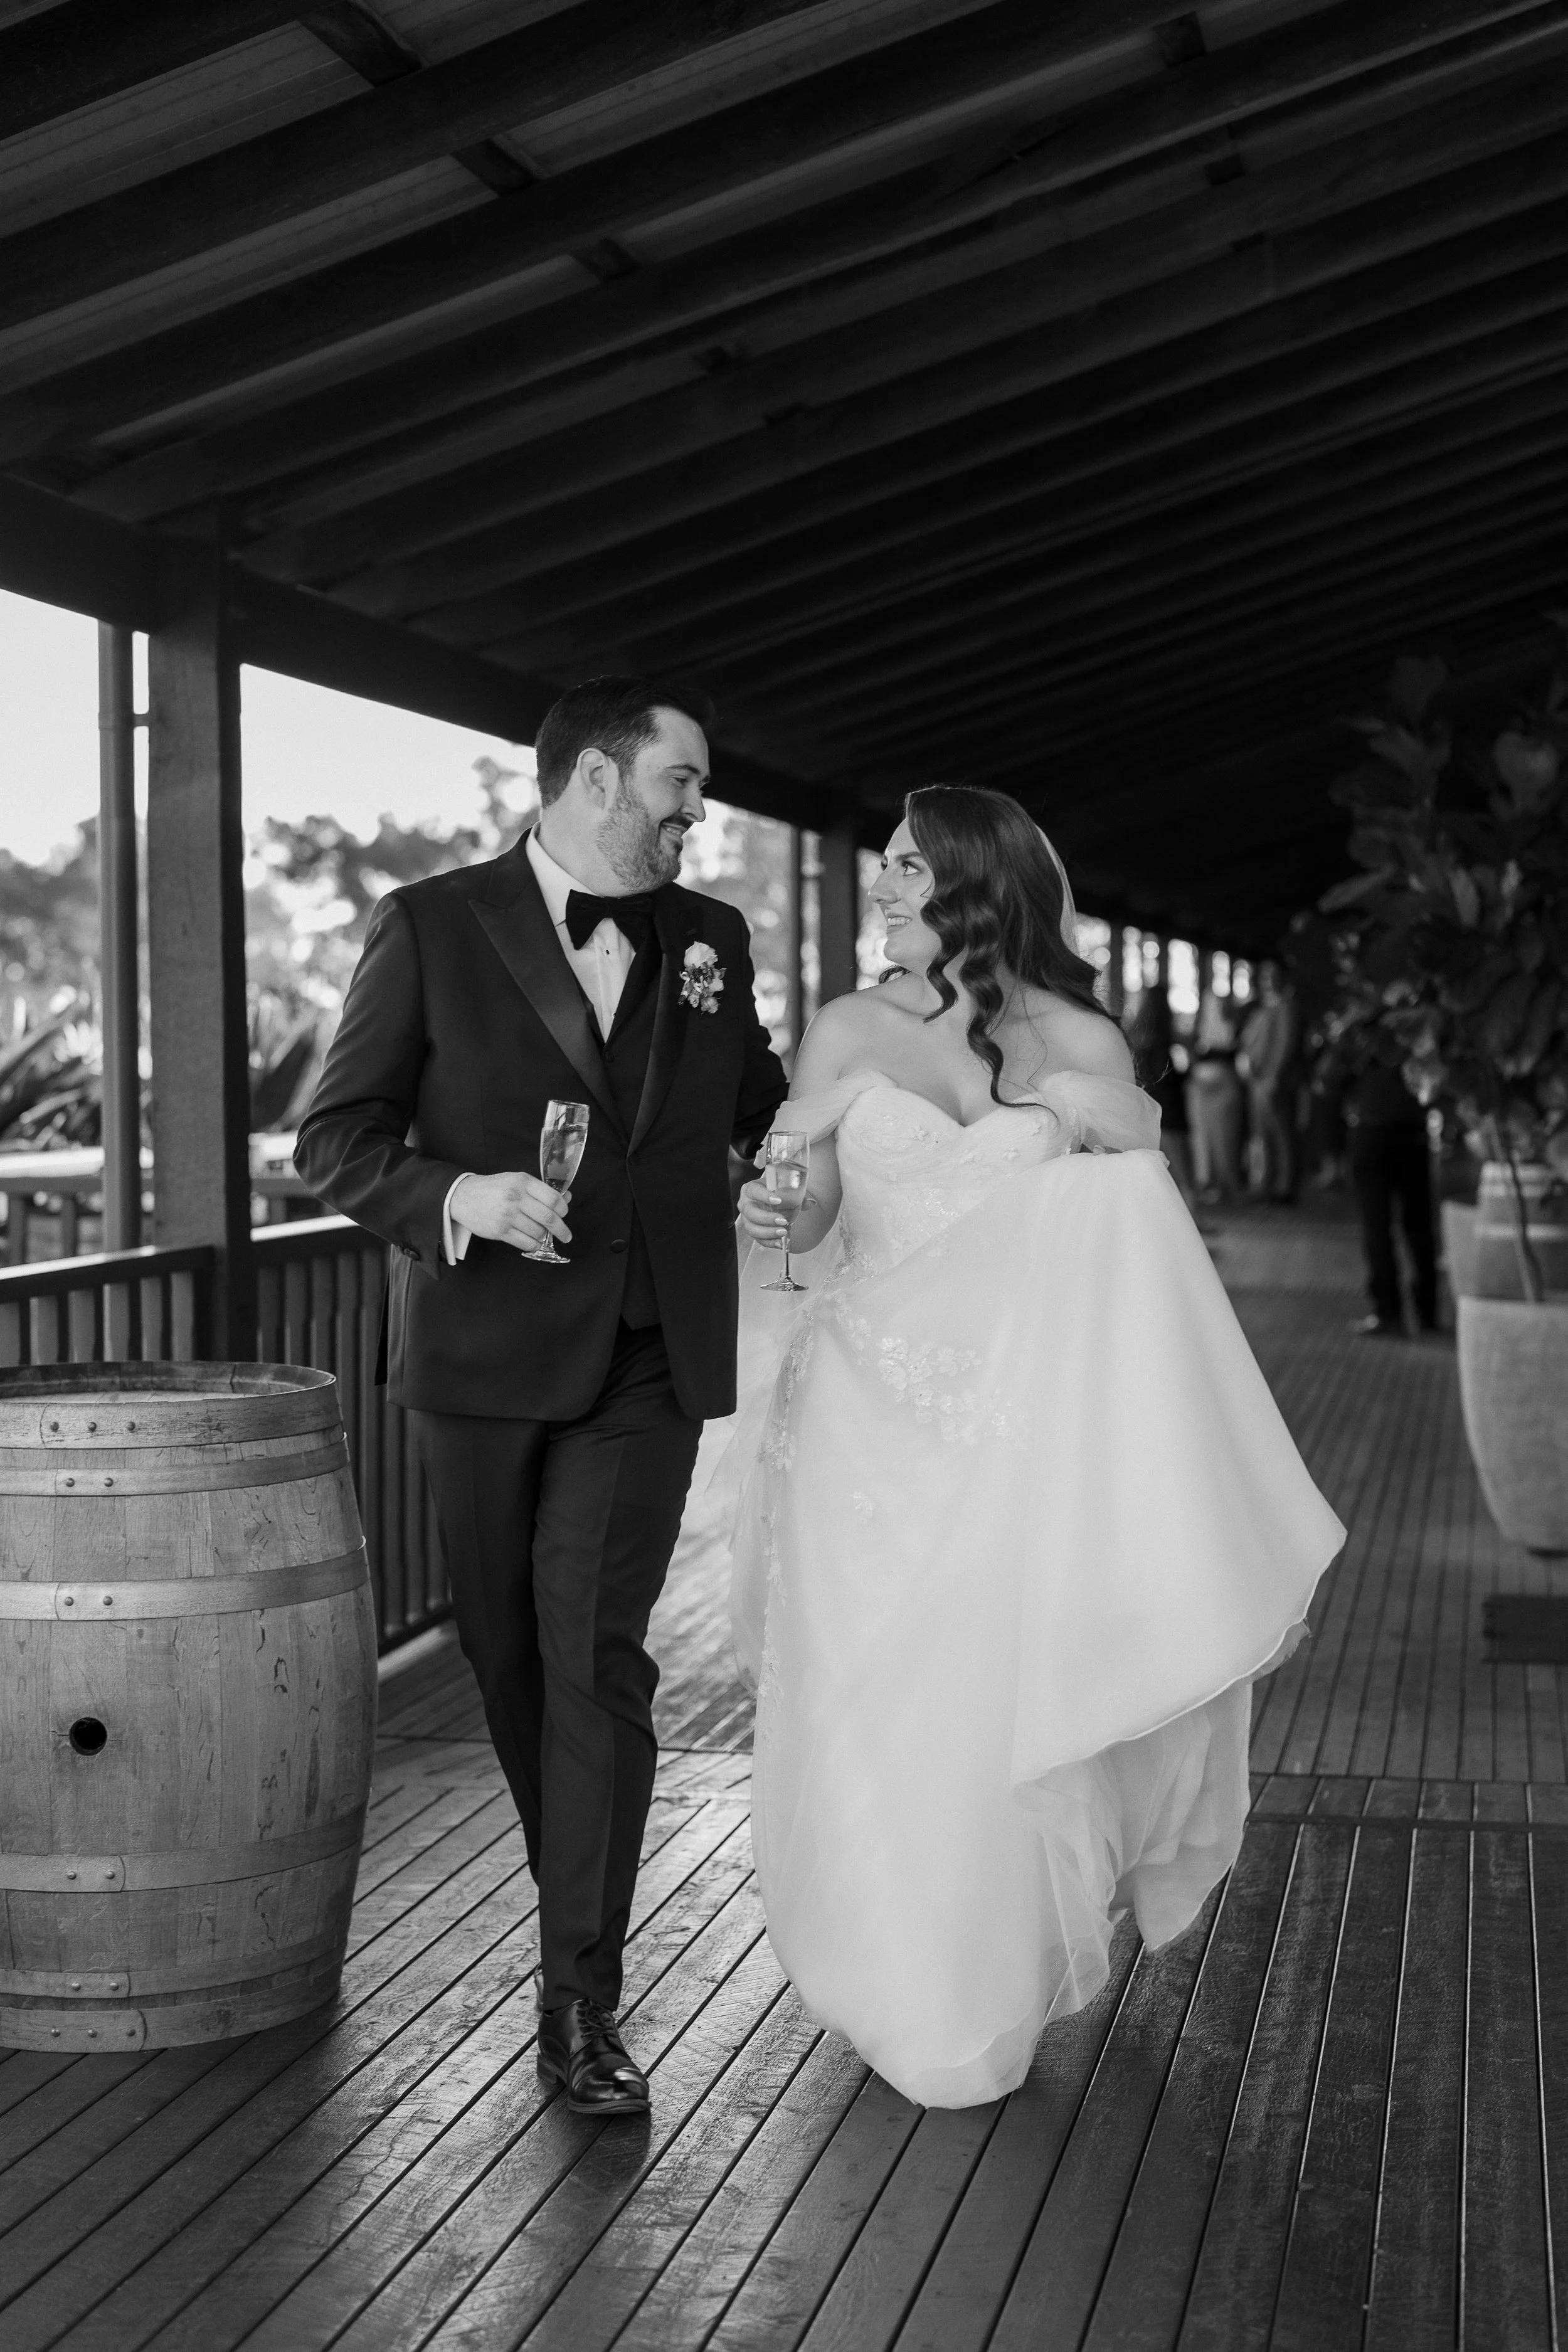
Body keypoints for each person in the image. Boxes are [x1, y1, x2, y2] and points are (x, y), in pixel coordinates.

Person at [724, 787, 1343, 2109]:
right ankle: (885, 1958)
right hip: (856, 1421)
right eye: (880, 868)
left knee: (985, 1692)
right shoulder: (841, 1030)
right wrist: (780, 1195)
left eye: (901, 870)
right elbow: (817, 1213)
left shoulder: (1078, 1043)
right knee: (865, 1692)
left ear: (969, 886)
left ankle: (972, 1979)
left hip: (1008, 1425)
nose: (879, 890)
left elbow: (1128, 1255)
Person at [295, 677, 788, 2117]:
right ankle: (576, 1865)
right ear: (591, 781)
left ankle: (581, 1997)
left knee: (594, 1657)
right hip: (487, 1355)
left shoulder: (714, 940)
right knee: (511, 1657)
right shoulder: (432, 925)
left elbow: (751, 1095)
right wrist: (457, 1194)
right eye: (681, 783)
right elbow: (338, 1135)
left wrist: (786, 1159)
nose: (699, 812)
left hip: (650, 1349)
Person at [1343, 1057, 1439, 1336]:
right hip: (1412, 1131)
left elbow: (1331, 1076)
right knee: (1419, 1227)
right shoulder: (1418, 1033)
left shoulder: (1359, 1031)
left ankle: (1388, 1312)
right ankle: (1427, 1314)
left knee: (1377, 1229)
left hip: (1371, 1130)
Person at [1123, 986, 1199, 1216]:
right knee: (1184, 1173)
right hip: (1171, 1112)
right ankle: (1193, 1225)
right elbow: (1174, 1078)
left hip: (1146, 1113)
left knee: (1159, 1176)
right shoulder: (1167, 1042)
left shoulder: (1136, 1038)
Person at [1239, 961, 1300, 1202]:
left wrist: (1274, 1076)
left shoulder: (1284, 1007)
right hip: (1258, 1080)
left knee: (1281, 1133)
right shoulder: (1263, 1008)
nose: (1268, 981)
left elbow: (1284, 1044)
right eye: (1264, 976)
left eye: (1272, 975)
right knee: (1262, 1134)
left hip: (1271, 1081)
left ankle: (1284, 1186)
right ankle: (1267, 1183)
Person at [1187, 988, 1245, 1204]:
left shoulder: (1233, 1028)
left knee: (1222, 1138)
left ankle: (1224, 1184)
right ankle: (1215, 1183)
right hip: (1208, 1087)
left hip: (1219, 1087)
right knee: (1210, 1138)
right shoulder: (1205, 1029)